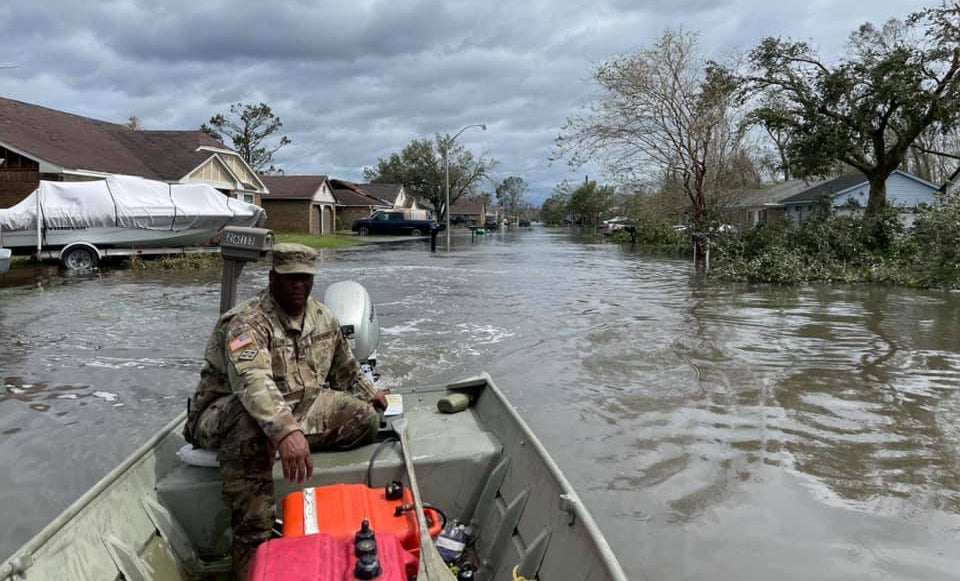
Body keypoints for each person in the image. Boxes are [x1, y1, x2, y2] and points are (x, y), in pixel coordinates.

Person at [183, 242, 388, 578]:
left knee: (364, 419)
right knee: (250, 421)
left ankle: (281, 449)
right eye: (290, 278)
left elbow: (345, 369)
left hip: (300, 407)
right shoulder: (246, 323)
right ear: (272, 277)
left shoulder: (322, 316)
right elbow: (253, 383)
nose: (298, 286)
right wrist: (287, 433)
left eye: (305, 278)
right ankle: (253, 548)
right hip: (226, 414)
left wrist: (372, 394)